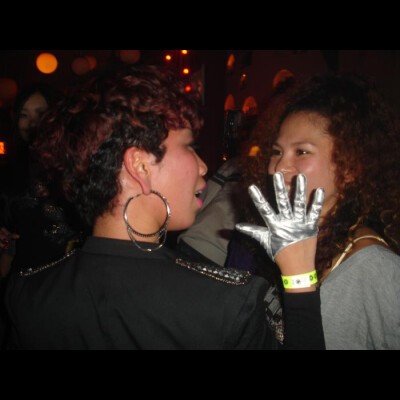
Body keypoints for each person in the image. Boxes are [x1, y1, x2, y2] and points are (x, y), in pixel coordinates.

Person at [5, 65, 325, 350]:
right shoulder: (227, 303)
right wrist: (299, 277)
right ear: (140, 166)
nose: (203, 167)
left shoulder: (27, 291)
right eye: (189, 146)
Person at [234, 73, 400, 349]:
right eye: (276, 152)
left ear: (350, 167)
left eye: (301, 152)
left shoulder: (377, 269)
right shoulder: (298, 246)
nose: (278, 168)